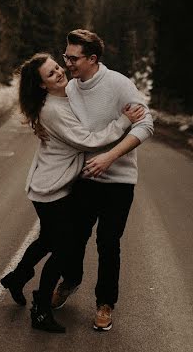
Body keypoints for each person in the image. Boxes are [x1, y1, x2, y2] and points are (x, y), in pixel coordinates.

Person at [0, 52, 145, 333]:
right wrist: (124, 121)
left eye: (57, 67)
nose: (59, 73)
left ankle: (17, 279)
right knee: (64, 249)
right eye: (51, 74)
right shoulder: (53, 109)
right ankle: (40, 309)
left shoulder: (65, 95)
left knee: (49, 240)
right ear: (42, 85)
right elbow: (87, 141)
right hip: (50, 188)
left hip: (56, 183)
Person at [54, 29, 154, 331]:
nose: (67, 63)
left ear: (92, 59)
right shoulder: (71, 90)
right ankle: (71, 280)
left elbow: (146, 124)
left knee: (108, 243)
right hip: (83, 180)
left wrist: (110, 157)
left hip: (119, 182)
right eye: (65, 56)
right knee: (73, 237)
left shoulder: (119, 84)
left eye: (73, 58)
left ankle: (105, 304)